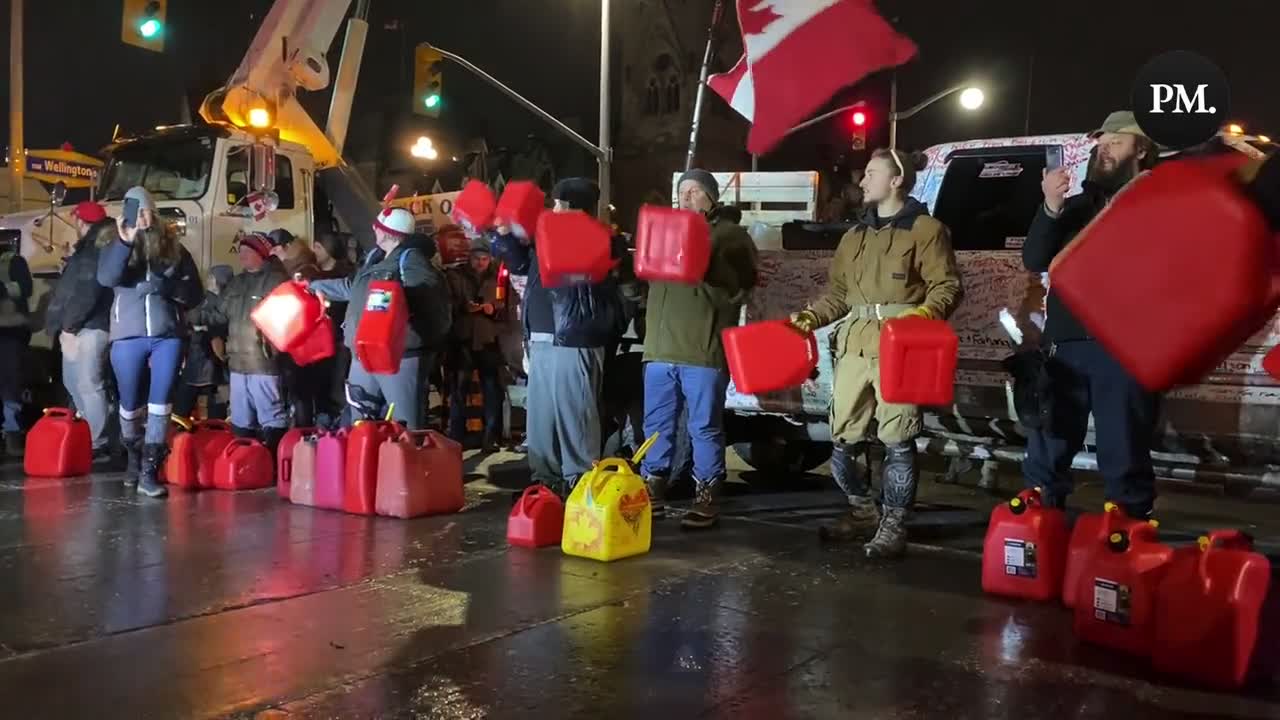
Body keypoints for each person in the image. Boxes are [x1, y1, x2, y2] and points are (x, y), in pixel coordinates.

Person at [790, 148, 963, 558]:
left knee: (898, 437)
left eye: (871, 173)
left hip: (902, 344)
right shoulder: (854, 237)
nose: (862, 181)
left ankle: (894, 523)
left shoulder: (926, 230)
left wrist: (924, 314)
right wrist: (810, 318)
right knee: (842, 436)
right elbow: (839, 295)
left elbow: (947, 286)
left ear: (896, 179)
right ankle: (863, 511)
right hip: (855, 343)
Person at [1021, 111, 1162, 519]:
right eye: (1100, 145)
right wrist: (1050, 205)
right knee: (1050, 442)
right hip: (1065, 345)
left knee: (1123, 448)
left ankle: (1128, 537)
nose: (1103, 151)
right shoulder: (1075, 206)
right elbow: (1035, 258)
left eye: (1115, 143)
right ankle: (1038, 529)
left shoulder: (1159, 203)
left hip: (1124, 347)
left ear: (1142, 148)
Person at [492, 178, 627, 495]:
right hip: (540, 337)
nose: (552, 209)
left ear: (573, 206)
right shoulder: (547, 236)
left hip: (575, 337)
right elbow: (520, 261)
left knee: (575, 414)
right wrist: (502, 236)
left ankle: (579, 481)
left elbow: (614, 270)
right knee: (542, 415)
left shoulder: (599, 237)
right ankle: (545, 480)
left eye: (558, 203)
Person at [641, 169, 759, 529]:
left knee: (704, 426)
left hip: (702, 349)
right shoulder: (665, 232)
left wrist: (707, 267)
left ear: (711, 196)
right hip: (659, 349)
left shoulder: (729, 235)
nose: (686, 197)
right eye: (682, 191)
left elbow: (744, 286)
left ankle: (707, 492)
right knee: (656, 425)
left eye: (694, 191)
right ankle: (652, 487)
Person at [97, 186, 204, 497]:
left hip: (166, 336)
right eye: (134, 211)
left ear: (154, 213)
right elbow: (107, 278)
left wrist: (166, 287)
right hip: (127, 336)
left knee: (160, 404)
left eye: (145, 211)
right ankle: (133, 456)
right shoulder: (112, 243)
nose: (141, 217)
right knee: (129, 405)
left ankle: (149, 472)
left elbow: (194, 294)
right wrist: (124, 242)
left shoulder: (175, 250)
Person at [310, 208, 451, 428]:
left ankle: (405, 461)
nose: (374, 229)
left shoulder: (410, 258)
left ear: (387, 232)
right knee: (360, 421)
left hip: (398, 355)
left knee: (404, 423)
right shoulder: (374, 259)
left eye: (378, 226)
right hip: (365, 352)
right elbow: (352, 287)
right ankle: (366, 460)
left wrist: (395, 298)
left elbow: (425, 289)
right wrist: (313, 286)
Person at [188, 234, 290, 452]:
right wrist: (192, 315)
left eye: (248, 251)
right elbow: (219, 315)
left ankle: (274, 459)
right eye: (241, 250)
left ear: (260, 254)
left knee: (270, 413)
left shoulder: (277, 280)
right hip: (237, 363)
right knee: (241, 418)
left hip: (263, 362)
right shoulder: (237, 283)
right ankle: (247, 460)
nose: (242, 255)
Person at [45, 201, 117, 460]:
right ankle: (91, 436)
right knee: (75, 382)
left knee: (88, 384)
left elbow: (87, 293)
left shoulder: (92, 250)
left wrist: (68, 327)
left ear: (81, 221)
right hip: (84, 326)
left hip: (88, 327)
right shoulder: (93, 248)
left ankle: (98, 442)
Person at [445, 241, 507, 451]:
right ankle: (456, 436)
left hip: (488, 339)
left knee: (492, 389)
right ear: (470, 258)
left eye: (484, 259)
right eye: (476, 258)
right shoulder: (456, 275)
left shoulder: (498, 277)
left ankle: (492, 436)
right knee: (459, 390)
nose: (480, 263)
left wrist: (493, 309)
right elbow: (448, 302)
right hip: (463, 338)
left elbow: (507, 306)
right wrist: (463, 307)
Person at [307, 233, 355, 428]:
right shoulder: (314, 275)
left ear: (330, 248)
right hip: (317, 341)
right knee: (320, 387)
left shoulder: (346, 274)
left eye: (318, 247)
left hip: (339, 340)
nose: (314, 251)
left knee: (337, 387)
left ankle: (342, 427)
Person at [175, 265, 233, 420]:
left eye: (210, 277)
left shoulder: (207, 301)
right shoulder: (227, 301)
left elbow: (214, 336)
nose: (208, 280)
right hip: (214, 365)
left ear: (215, 280)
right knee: (216, 407)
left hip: (201, 360)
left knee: (182, 409)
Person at [0, 226, 33, 456]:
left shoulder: (13, 261)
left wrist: (1, 288)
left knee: (10, 383)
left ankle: (11, 433)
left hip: (9, 330)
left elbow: (26, 288)